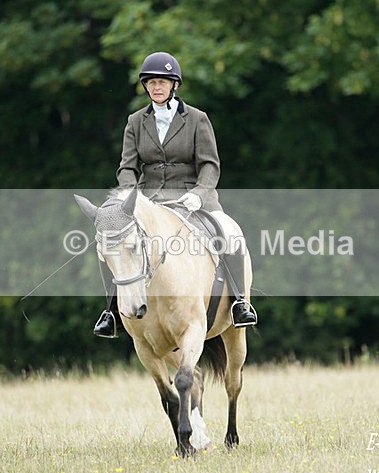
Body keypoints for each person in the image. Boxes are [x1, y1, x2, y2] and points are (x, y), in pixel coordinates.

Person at [93, 51, 257, 338]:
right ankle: (111, 312)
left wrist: (199, 193)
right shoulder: (135, 122)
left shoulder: (197, 119)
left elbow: (210, 165)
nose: (157, 87)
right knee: (111, 240)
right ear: (146, 86)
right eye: (152, 82)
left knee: (229, 232)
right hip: (149, 203)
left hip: (191, 199)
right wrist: (129, 196)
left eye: (163, 82)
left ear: (174, 85)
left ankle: (239, 304)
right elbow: (127, 167)